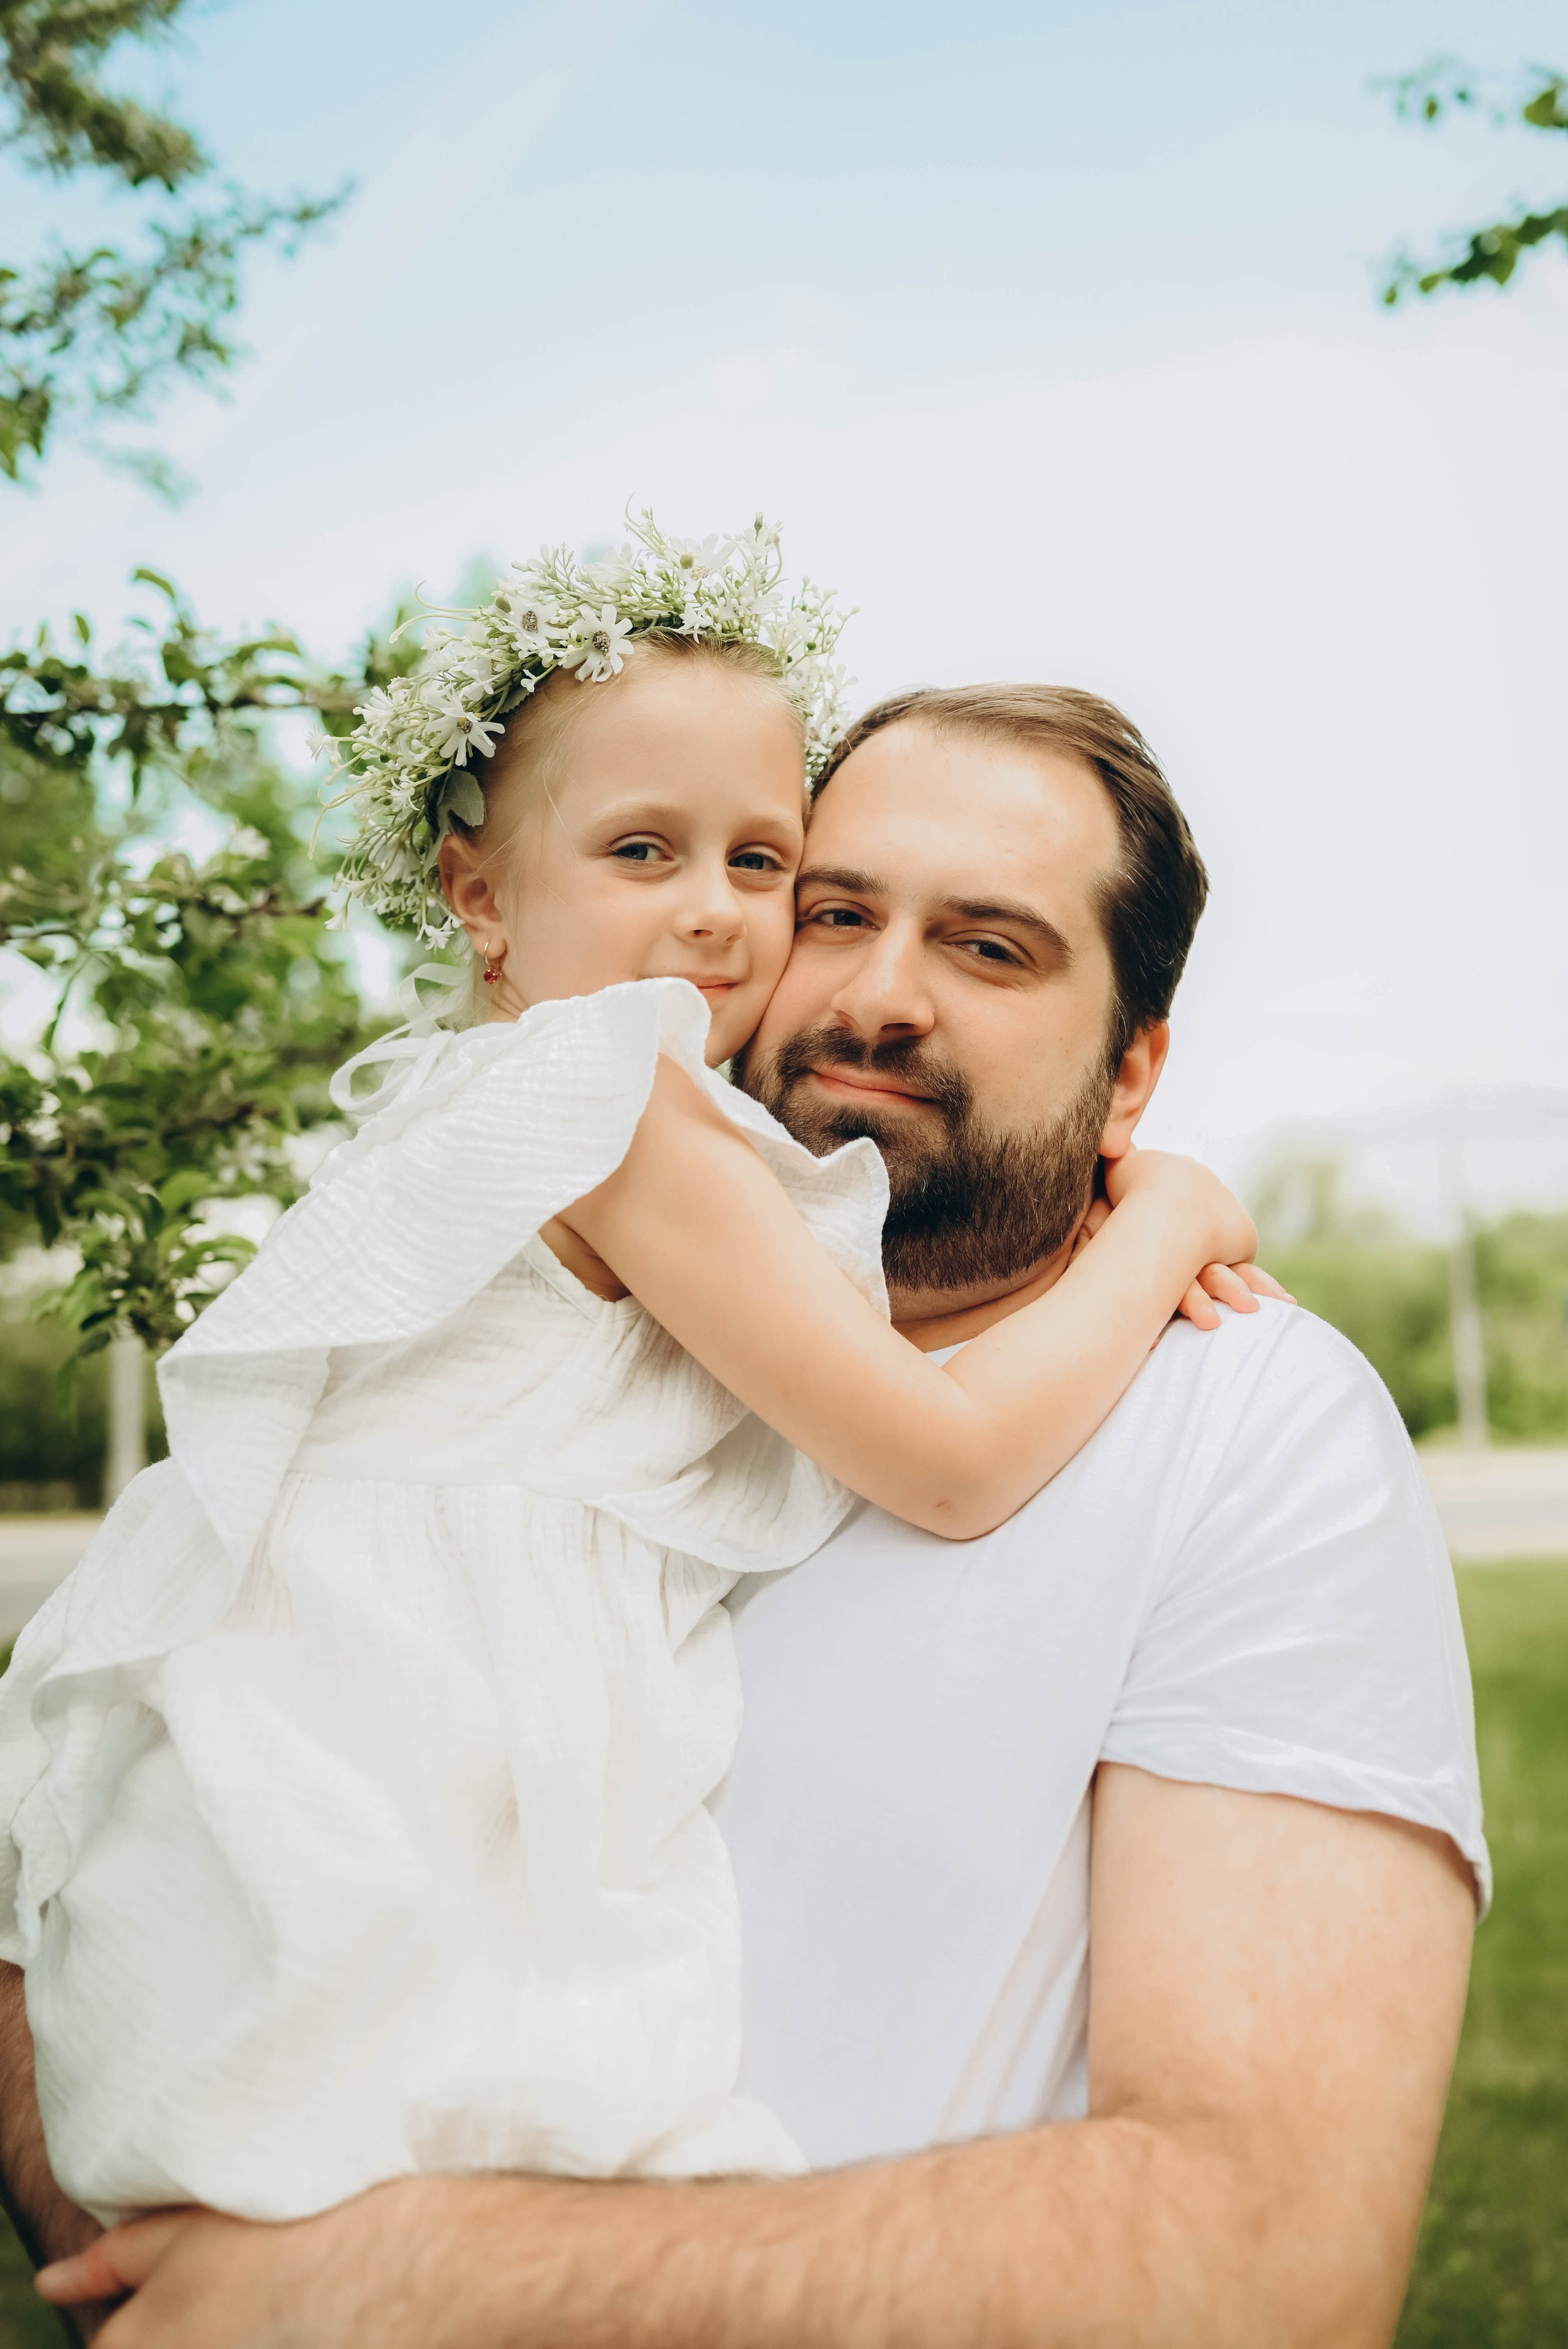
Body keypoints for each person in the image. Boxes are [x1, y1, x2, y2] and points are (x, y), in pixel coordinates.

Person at [12, 676, 1484, 2348]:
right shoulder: (563, 1363)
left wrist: (384, 2279)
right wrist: (168, 2263)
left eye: (989, 948)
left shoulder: (1244, 1419)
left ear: (1136, 1074)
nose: (875, 993)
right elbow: (89, 1812)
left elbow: (1265, 2268)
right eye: (836, 907)